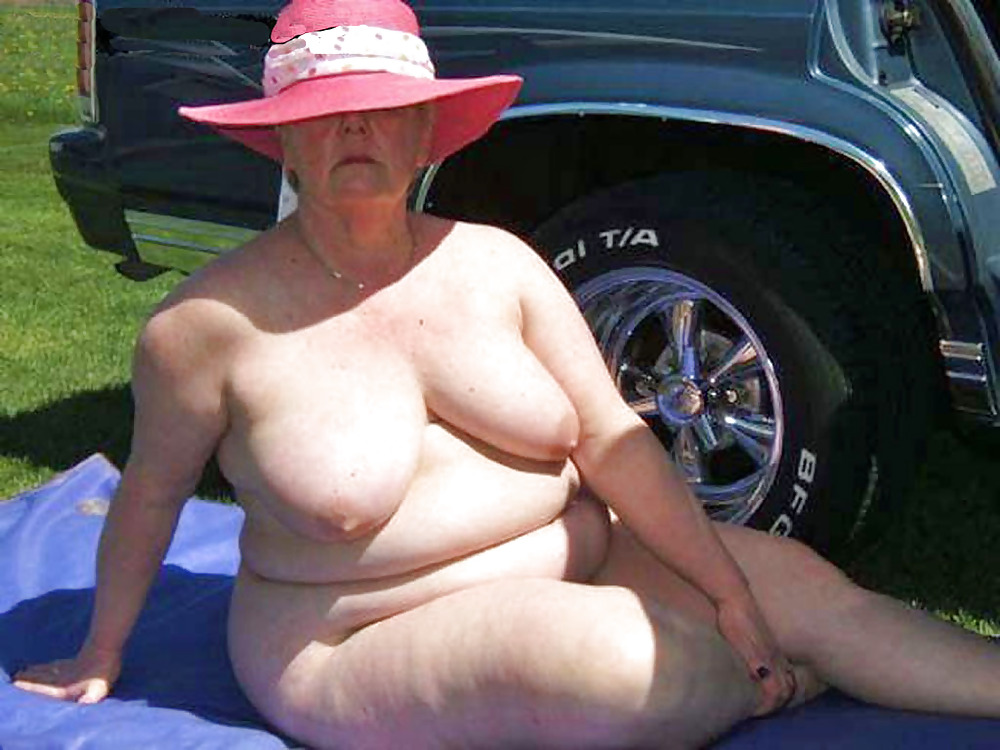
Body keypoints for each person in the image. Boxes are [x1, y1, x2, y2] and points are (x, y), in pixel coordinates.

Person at [13, 0, 1000, 746]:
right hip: (357, 634)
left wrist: (724, 585)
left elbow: (610, 439)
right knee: (623, 664)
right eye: (326, 114)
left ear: (423, 133)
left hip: (585, 549)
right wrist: (102, 652)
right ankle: (780, 685)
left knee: (810, 593)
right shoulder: (204, 328)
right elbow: (150, 495)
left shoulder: (498, 263)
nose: (356, 131)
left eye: (383, 112)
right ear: (281, 140)